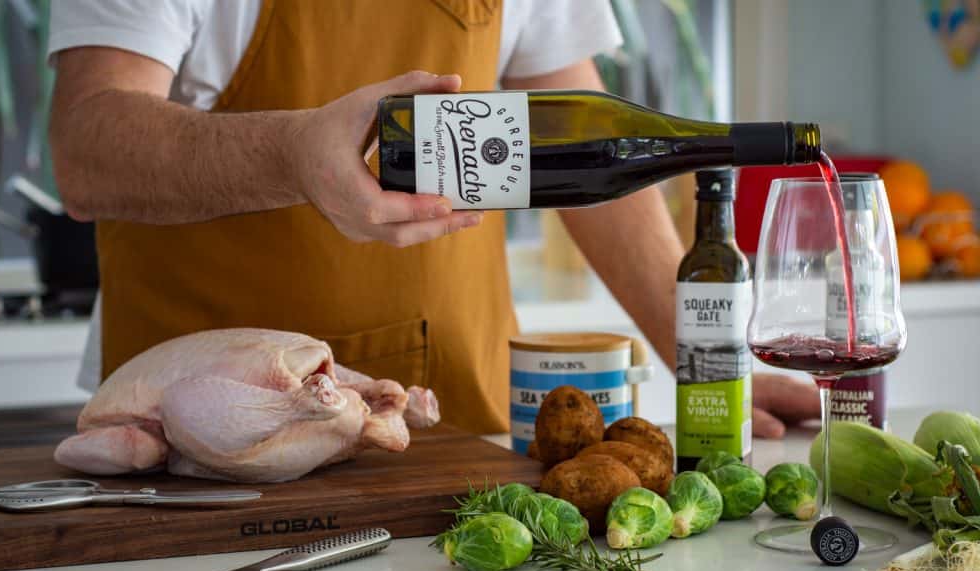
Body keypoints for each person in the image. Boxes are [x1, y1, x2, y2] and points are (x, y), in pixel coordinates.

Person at [47, 0, 817, 438]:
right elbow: (86, 149)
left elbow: (589, 143)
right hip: (202, 456)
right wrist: (291, 155)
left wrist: (708, 361)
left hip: (451, 440)